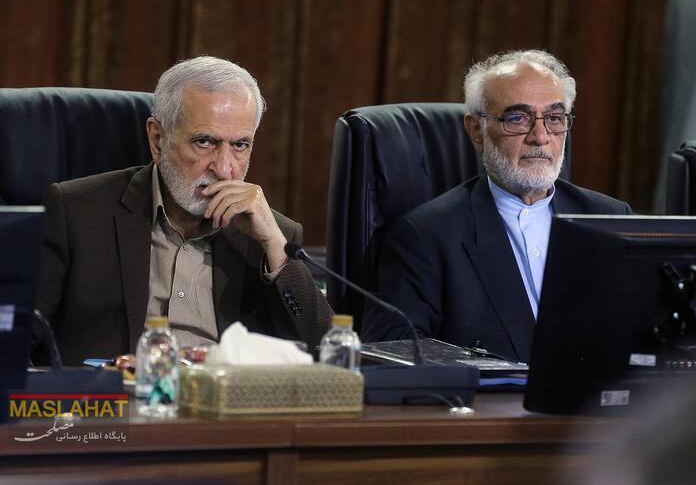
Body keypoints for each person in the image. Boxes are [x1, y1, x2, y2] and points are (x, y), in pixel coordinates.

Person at [35, 56, 331, 364]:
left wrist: (276, 249)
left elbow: (326, 351)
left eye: (240, 145)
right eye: (205, 142)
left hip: (223, 394)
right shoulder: (77, 213)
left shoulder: (274, 237)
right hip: (114, 391)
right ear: (157, 139)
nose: (224, 168)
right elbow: (19, 341)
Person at [361, 50, 631, 362]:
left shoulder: (612, 220)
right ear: (476, 130)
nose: (540, 137)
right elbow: (392, 346)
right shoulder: (425, 236)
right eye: (518, 118)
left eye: (554, 119)